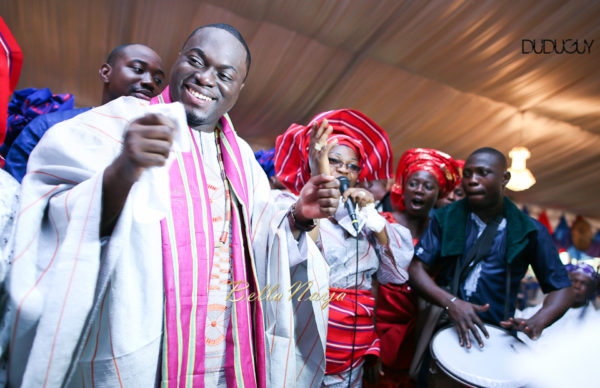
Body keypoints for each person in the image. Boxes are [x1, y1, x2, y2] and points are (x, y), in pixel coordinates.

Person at [8, 24, 340, 387]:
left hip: (223, 359)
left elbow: (259, 245)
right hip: (143, 359)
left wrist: (297, 217)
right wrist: (124, 169)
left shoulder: (244, 160)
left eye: (225, 74)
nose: (205, 77)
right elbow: (49, 218)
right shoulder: (115, 124)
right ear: (178, 60)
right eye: (196, 60)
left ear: (239, 88)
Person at [407, 147, 573, 385]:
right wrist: (452, 303)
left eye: (483, 173)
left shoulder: (529, 230)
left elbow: (562, 289)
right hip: (443, 329)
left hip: (497, 337)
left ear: (505, 178)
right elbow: (415, 269)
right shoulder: (445, 218)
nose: (472, 180)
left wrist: (539, 320)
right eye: (468, 174)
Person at [275, 109, 414, 388]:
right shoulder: (290, 205)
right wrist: (319, 182)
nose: (344, 170)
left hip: (353, 355)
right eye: (334, 160)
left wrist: (374, 218)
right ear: (314, 161)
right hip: (304, 346)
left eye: (352, 166)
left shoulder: (364, 216)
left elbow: (396, 275)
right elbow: (302, 258)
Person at [3, 43, 166, 182]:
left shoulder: (156, 147)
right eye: (138, 69)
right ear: (106, 72)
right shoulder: (50, 125)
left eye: (158, 80)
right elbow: (13, 191)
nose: (150, 82)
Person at [374, 148, 460, 388]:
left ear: (438, 195)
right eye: (414, 183)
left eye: (428, 186)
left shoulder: (440, 234)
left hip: (418, 329)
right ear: (404, 186)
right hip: (379, 324)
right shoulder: (382, 223)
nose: (420, 190)